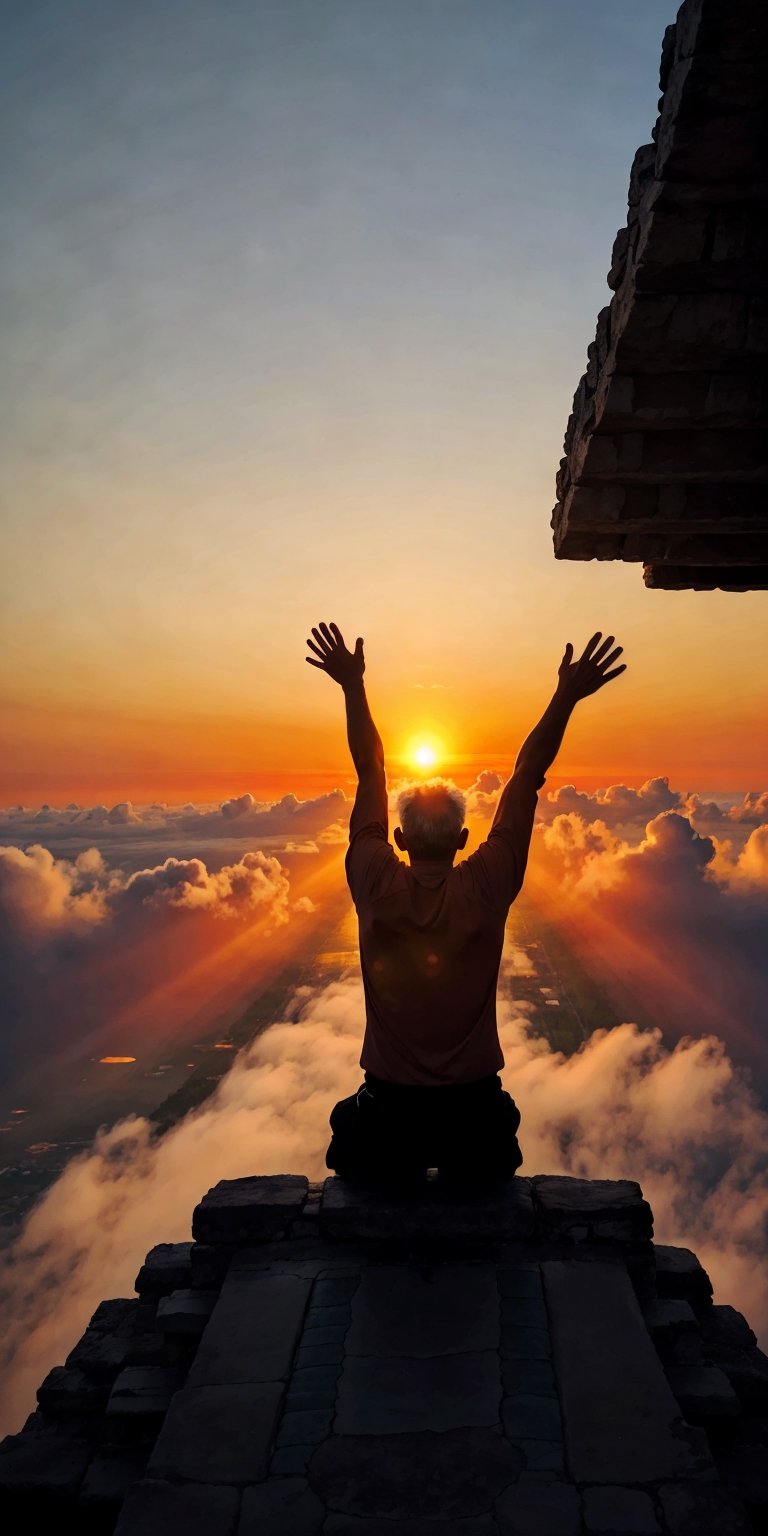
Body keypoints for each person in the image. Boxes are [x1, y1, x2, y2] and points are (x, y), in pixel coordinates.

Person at [306, 621, 626, 1191]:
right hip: (473, 1117)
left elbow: (369, 769)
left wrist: (352, 686)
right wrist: (566, 696)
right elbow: (526, 778)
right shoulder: (486, 884)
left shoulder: (375, 881)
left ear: (399, 840)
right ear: (461, 840)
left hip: (387, 1114)